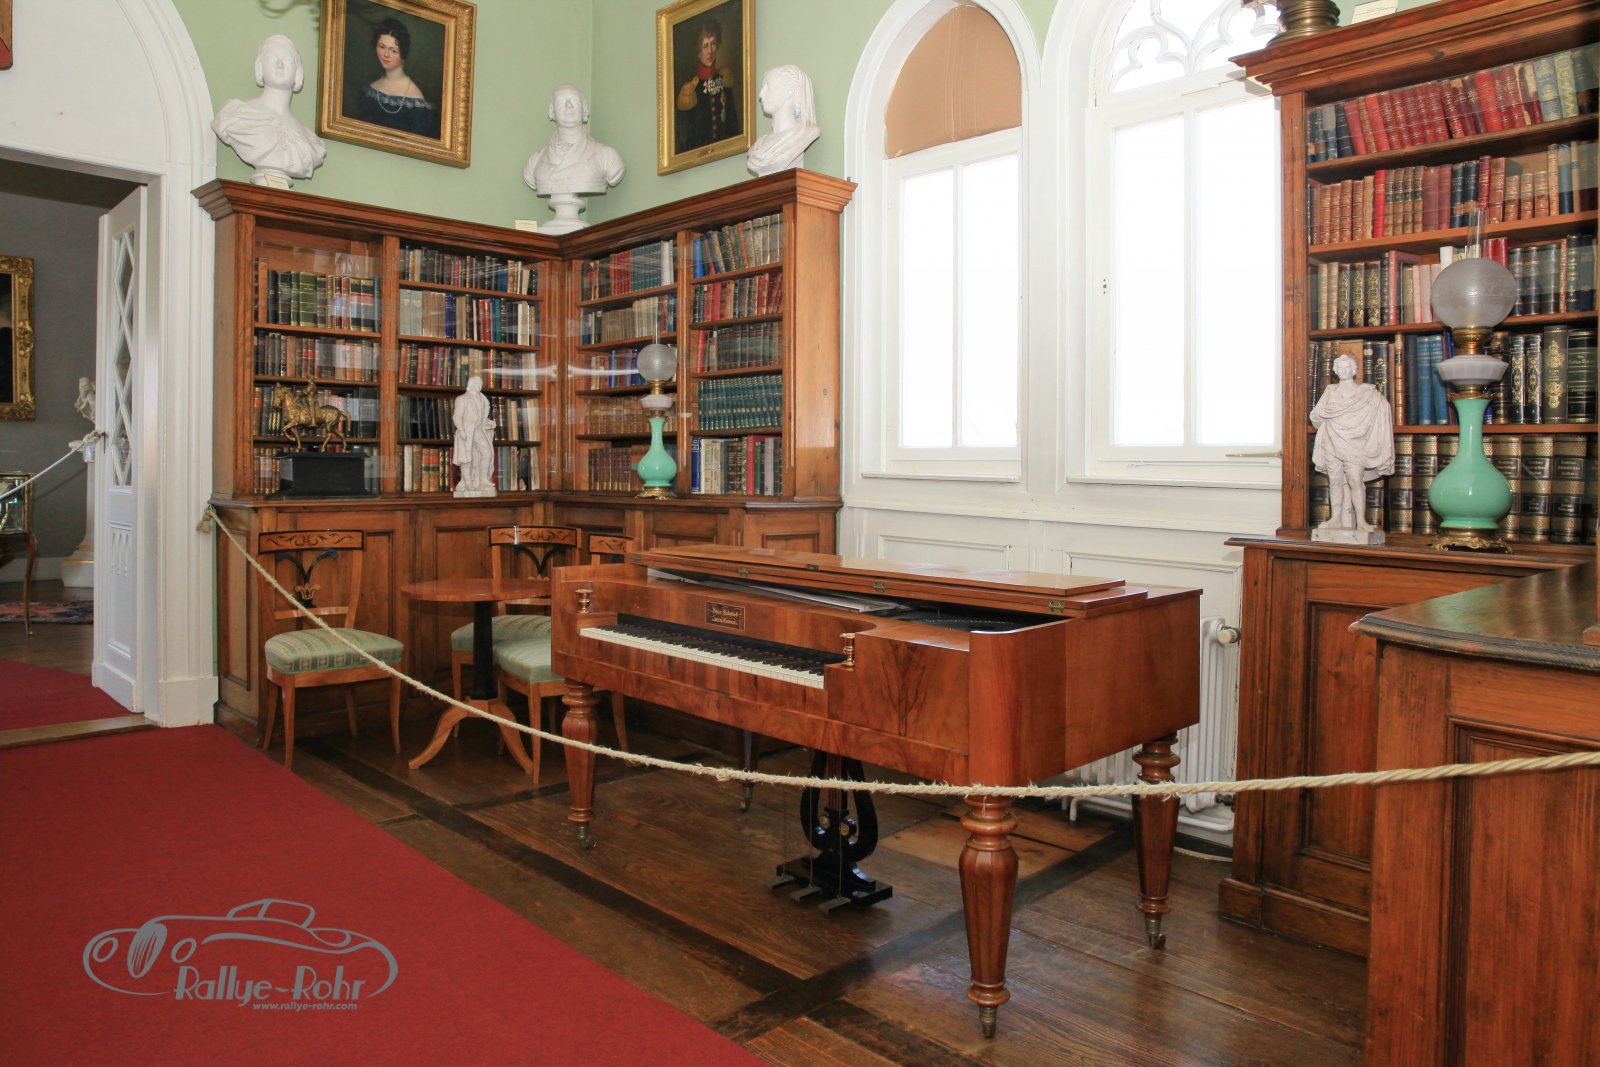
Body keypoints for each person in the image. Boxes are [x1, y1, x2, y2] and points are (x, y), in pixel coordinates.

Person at [212, 35, 327, 187]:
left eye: (287, 60)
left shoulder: (311, 140)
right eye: (271, 59)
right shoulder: (237, 116)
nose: (280, 65)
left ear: (298, 72)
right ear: (260, 67)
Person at [1310, 353, 1395, 531]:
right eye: (1339, 368)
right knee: (1335, 481)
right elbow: (1315, 417)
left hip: (1354, 444)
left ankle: (1361, 521)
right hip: (1331, 441)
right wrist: (1326, 415)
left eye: (1347, 367)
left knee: (1355, 481)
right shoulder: (1331, 391)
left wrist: (1382, 405)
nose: (1343, 371)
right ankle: (1335, 518)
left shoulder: (1365, 393)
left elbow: (1381, 405)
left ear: (1354, 370)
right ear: (1335, 370)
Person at [522, 85, 624, 232]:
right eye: (561, 101)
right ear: (552, 111)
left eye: (574, 101)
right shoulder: (535, 161)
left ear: (584, 110)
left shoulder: (607, 156)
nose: (569, 106)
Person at [360, 18, 440, 139]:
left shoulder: (416, 102)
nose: (386, 55)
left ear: (403, 54)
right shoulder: (369, 89)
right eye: (382, 47)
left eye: (393, 50)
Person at [676, 18, 739, 152]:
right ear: (698, 52)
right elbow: (684, 139)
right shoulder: (689, 91)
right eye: (705, 46)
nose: (710, 51)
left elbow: (733, 125)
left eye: (713, 44)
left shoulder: (724, 80)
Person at [747, 65, 819, 176]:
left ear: (789, 91)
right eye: (762, 87)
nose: (761, 94)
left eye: (768, 87)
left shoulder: (805, 134)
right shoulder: (759, 145)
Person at [452, 376, 495, 497]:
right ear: (470, 384)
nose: (478, 385)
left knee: (487, 453)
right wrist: (461, 430)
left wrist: (488, 422)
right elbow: (457, 417)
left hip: (479, 431)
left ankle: (483, 479)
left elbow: (481, 416)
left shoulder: (483, 399)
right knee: (466, 459)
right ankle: (468, 483)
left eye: (480, 383)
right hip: (466, 431)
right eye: (476, 383)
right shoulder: (462, 399)